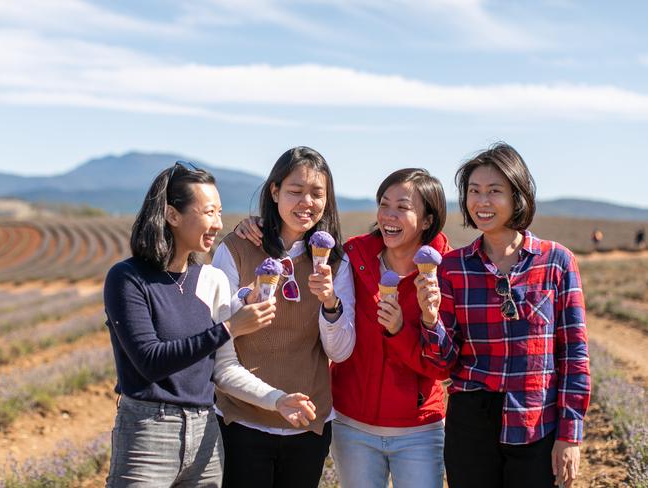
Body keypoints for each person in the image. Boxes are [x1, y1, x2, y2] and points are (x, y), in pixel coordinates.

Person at [104, 161, 316, 488]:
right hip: (149, 432)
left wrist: (277, 399)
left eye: (219, 212)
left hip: (206, 436)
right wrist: (230, 327)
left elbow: (224, 369)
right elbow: (149, 361)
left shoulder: (212, 279)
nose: (218, 224)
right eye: (208, 212)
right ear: (172, 215)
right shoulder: (128, 278)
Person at [236, 168, 451, 488]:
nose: (388, 215)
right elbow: (302, 236)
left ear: (428, 219)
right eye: (384, 204)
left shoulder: (446, 272)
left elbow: (441, 365)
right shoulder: (353, 256)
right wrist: (257, 226)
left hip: (418, 430)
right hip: (354, 426)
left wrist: (402, 330)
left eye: (402, 207)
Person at [419, 143, 590, 488]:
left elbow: (574, 355)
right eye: (474, 191)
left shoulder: (556, 261)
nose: (482, 202)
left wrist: (570, 435)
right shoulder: (453, 268)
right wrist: (429, 318)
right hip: (471, 424)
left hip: (537, 420)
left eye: (494, 191)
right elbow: (443, 363)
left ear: (518, 195)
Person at [212, 146, 355, 488]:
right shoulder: (236, 248)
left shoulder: (337, 262)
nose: (307, 202)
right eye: (295, 191)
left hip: (307, 421)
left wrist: (330, 302)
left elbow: (341, 352)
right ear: (274, 192)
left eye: (317, 194)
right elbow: (217, 336)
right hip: (241, 419)